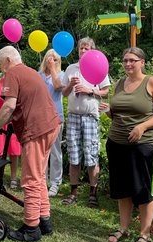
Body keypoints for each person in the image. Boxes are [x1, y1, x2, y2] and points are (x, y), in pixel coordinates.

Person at [0, 46, 61, 242]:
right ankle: (44, 220)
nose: (1, 69)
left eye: (0, 65)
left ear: (8, 60)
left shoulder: (13, 73)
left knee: (31, 180)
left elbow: (8, 106)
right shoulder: (30, 71)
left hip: (37, 129)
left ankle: (31, 228)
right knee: (40, 176)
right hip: (51, 125)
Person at [100, 47, 153, 242]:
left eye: (132, 60)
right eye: (125, 61)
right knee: (122, 187)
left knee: (143, 189)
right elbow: (117, 113)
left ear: (142, 62)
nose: (128, 64)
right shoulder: (120, 83)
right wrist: (108, 112)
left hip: (143, 145)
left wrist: (142, 126)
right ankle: (123, 228)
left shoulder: (152, 82)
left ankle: (144, 234)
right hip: (117, 143)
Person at [61, 37, 111, 208]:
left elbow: (105, 91)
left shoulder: (98, 65)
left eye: (86, 48)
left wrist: (90, 90)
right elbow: (64, 93)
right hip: (74, 116)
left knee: (91, 156)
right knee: (74, 155)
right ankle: (73, 193)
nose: (83, 51)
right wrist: (70, 85)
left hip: (90, 116)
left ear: (92, 50)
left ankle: (93, 194)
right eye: (81, 48)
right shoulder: (71, 68)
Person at [38, 49, 65, 197]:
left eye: (55, 59)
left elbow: (57, 87)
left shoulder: (61, 74)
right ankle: (42, 180)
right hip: (41, 118)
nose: (51, 60)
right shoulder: (39, 75)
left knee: (55, 151)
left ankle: (55, 183)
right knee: (41, 151)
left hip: (55, 117)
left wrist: (54, 69)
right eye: (50, 57)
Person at [0, 76, 21, 189]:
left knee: (14, 151)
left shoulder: (18, 81)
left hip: (12, 121)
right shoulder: (0, 80)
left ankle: (13, 178)